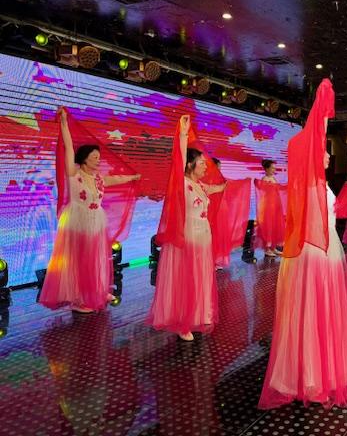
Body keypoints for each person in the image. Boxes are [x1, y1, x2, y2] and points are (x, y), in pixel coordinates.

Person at [259, 79, 347, 409]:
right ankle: (310, 375)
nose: (329, 156)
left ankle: (319, 370)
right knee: (312, 312)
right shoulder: (307, 187)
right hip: (312, 255)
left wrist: (323, 116)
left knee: (322, 314)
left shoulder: (318, 185)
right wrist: (320, 115)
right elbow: (313, 139)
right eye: (324, 152)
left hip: (326, 253)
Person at [40, 107, 140, 313]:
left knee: (95, 259)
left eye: (99, 157)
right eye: (94, 157)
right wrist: (64, 123)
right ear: (84, 158)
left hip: (95, 221)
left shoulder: (99, 178)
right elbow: (68, 147)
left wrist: (133, 177)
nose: (98, 160)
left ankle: (96, 290)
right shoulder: (73, 174)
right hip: (77, 221)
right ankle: (77, 299)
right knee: (78, 261)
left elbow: (116, 179)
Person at [147, 115, 226, 341]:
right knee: (186, 278)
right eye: (202, 163)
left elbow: (217, 189)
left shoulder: (199, 184)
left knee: (200, 276)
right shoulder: (181, 183)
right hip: (188, 237)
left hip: (203, 237)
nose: (205, 166)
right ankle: (183, 321)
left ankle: (199, 313)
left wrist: (226, 185)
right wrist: (183, 134)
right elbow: (178, 159)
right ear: (190, 164)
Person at [254, 159, 286, 257]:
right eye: (272, 168)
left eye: (274, 168)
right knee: (269, 227)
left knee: (275, 226)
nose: (274, 170)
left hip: (275, 205)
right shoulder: (265, 179)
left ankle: (273, 247)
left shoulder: (273, 178)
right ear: (267, 169)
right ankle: (267, 249)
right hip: (268, 206)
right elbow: (263, 191)